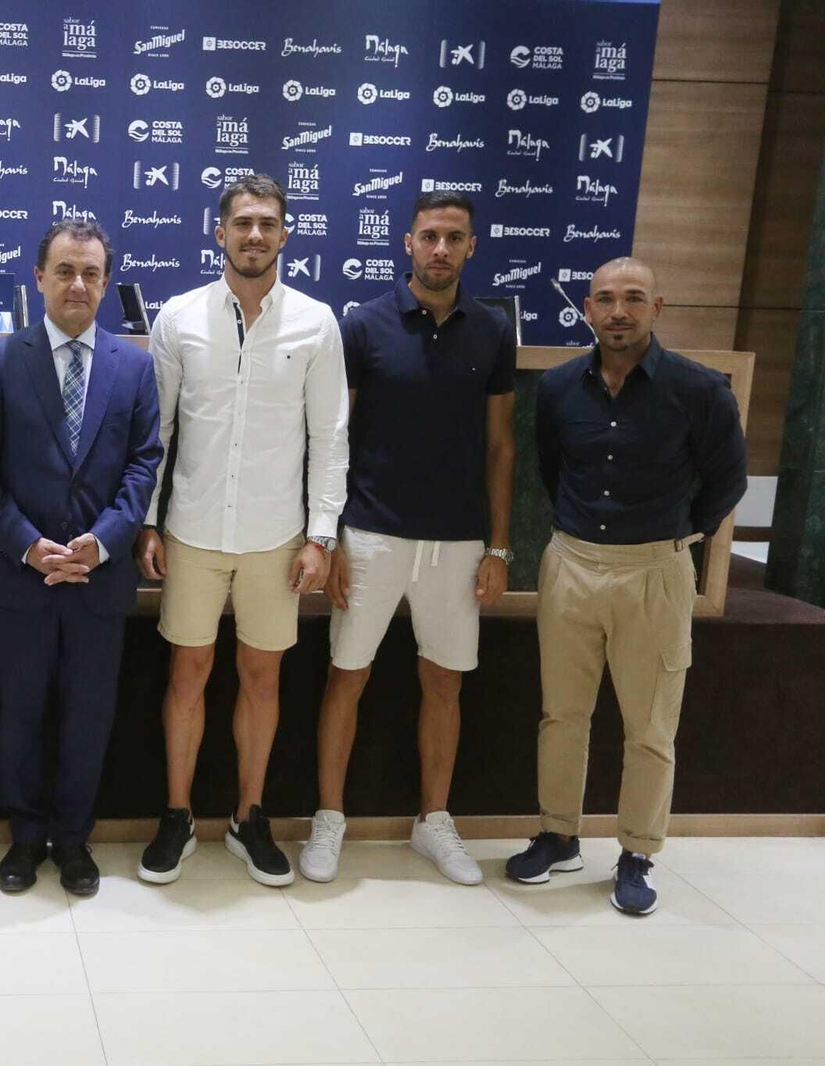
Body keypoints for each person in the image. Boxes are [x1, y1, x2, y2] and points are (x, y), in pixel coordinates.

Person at [507, 257, 746, 915]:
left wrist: (674, 536)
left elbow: (727, 482)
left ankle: (637, 852)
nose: (619, 312)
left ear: (657, 307)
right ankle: (558, 834)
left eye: (633, 299)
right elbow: (553, 471)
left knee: (649, 727)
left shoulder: (700, 390)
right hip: (572, 566)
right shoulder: (558, 388)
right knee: (563, 714)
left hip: (655, 570)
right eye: (606, 300)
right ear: (587, 309)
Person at [135, 175, 350, 887]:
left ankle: (247, 817)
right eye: (242, 223)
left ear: (285, 235)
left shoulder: (316, 323)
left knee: (262, 679)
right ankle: (177, 815)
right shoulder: (178, 318)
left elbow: (331, 436)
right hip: (192, 531)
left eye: (267, 223)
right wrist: (148, 522)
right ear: (218, 231)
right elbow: (156, 435)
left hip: (276, 538)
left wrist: (321, 535)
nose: (254, 235)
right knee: (187, 674)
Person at [303, 192, 516, 886]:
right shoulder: (363, 326)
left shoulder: (491, 330)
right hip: (369, 532)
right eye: (430, 236)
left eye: (455, 238)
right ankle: (329, 818)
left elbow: (501, 447)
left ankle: (434, 821)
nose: (441, 249)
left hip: (456, 542)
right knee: (346, 678)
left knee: (443, 684)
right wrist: (330, 534)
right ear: (407, 243)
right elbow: (334, 437)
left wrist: (499, 547)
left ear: (471, 247)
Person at [0, 219, 162, 895]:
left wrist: (102, 542)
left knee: (87, 716)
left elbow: (143, 466)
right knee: (20, 712)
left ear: (107, 282)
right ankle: (24, 838)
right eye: (65, 270)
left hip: (98, 582)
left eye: (92, 273)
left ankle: (73, 839)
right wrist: (27, 545)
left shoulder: (133, 365)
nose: (78, 284)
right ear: (39, 277)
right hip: (21, 580)